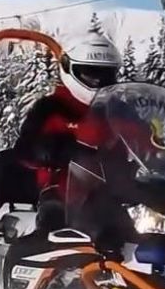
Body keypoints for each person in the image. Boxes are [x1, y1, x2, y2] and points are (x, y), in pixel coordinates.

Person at [11, 31, 122, 231]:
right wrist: (50, 149)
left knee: (138, 236)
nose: (98, 82)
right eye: (90, 73)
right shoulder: (51, 109)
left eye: (106, 75)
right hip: (60, 194)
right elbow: (24, 150)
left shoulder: (119, 111)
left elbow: (144, 139)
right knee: (54, 226)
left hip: (110, 196)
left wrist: (162, 155)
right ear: (68, 69)